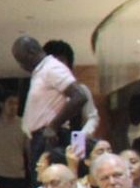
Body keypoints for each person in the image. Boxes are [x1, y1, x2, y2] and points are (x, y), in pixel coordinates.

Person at [14, 33, 94, 162]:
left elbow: (80, 98)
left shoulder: (52, 68)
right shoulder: (40, 73)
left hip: (56, 136)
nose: (21, 65)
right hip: (41, 137)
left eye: (21, 60)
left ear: (32, 52)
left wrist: (53, 127)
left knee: (52, 178)